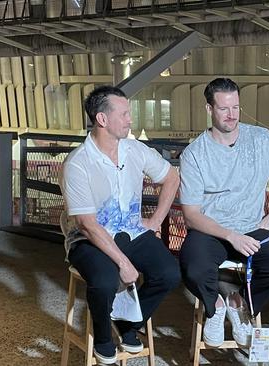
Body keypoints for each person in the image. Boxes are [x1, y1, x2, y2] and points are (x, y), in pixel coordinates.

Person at [60, 86, 181, 365]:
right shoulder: (78, 163)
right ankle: (103, 337)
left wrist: (155, 221)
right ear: (102, 119)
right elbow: (88, 225)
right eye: (124, 114)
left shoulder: (135, 149)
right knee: (103, 281)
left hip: (133, 231)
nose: (130, 120)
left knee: (169, 273)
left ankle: (128, 326)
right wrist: (124, 263)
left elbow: (172, 177)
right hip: (89, 238)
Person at [179, 77, 269, 347]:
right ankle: (215, 307)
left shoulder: (261, 139)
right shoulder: (194, 154)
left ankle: (240, 304)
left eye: (235, 107)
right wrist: (230, 236)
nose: (231, 115)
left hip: (252, 226)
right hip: (211, 229)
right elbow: (191, 214)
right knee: (193, 266)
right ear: (209, 109)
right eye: (224, 108)